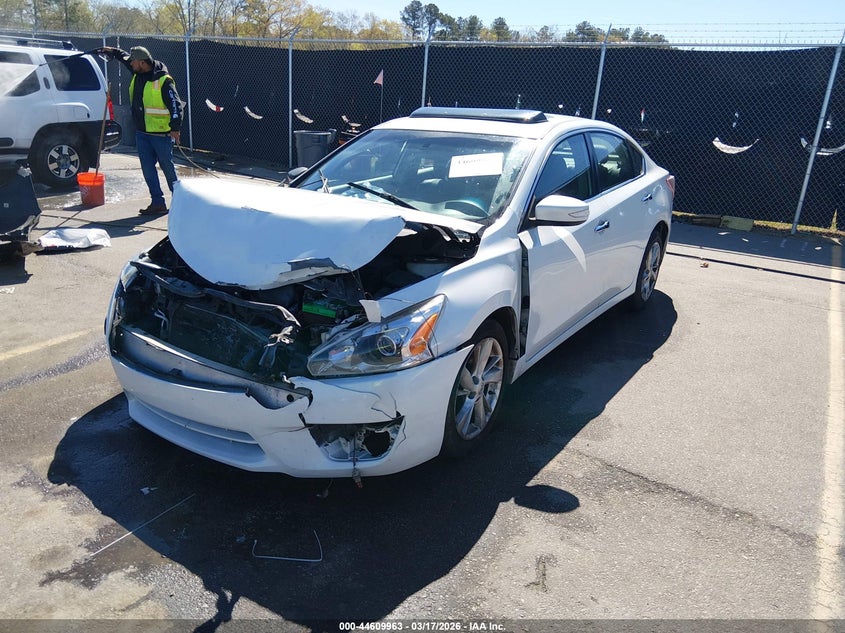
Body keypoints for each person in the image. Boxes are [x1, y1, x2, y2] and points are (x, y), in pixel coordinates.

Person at [96, 45, 182, 215]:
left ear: (142, 63)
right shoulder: (138, 70)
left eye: (133, 62)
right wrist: (113, 51)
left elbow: (175, 105)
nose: (131, 64)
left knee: (168, 169)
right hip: (142, 133)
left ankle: (180, 202)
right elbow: (124, 57)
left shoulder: (164, 80)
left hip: (160, 134)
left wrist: (175, 128)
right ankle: (157, 202)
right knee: (148, 170)